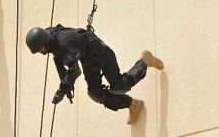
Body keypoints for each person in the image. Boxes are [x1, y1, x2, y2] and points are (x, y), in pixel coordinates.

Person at [25, 24, 164, 125]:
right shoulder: (49, 38)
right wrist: (66, 86)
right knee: (95, 93)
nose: (40, 52)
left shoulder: (64, 42)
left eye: (40, 49)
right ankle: (133, 104)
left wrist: (61, 90)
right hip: (87, 57)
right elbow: (58, 59)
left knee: (119, 86)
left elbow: (75, 71)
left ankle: (145, 61)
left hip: (99, 51)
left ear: (45, 42)